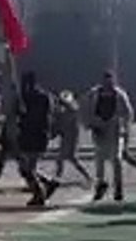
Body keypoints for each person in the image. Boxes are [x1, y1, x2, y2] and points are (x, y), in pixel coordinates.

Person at [82, 71, 134, 202]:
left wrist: (126, 127)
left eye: (110, 81)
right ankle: (100, 185)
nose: (108, 84)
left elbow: (128, 112)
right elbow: (86, 108)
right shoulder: (94, 93)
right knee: (99, 160)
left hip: (114, 129)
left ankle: (118, 188)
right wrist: (88, 123)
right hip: (99, 129)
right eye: (105, 81)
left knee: (116, 159)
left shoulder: (119, 94)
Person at [16, 71, 55, 206]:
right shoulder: (44, 96)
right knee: (28, 167)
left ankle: (39, 193)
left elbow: (22, 114)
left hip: (31, 134)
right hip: (39, 134)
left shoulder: (27, 97)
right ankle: (47, 183)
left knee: (27, 169)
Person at [48, 89, 91, 189]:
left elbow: (64, 120)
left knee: (62, 159)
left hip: (71, 139)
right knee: (69, 160)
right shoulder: (66, 112)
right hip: (66, 138)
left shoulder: (72, 111)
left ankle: (57, 178)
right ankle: (87, 176)